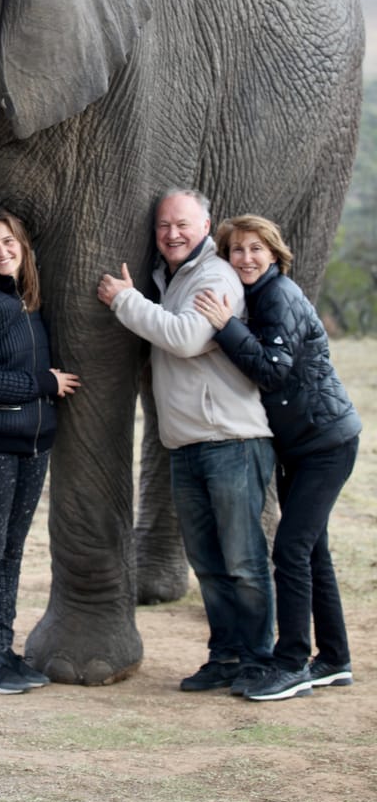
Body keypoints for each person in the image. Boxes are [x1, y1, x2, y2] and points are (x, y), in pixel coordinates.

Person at [97, 188, 275, 695]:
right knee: (210, 564)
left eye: (183, 225)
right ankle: (225, 657)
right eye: (163, 226)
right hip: (188, 445)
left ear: (205, 226)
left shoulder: (216, 274)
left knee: (243, 562)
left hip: (232, 443)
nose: (172, 234)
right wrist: (143, 298)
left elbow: (188, 338)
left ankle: (260, 663)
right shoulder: (172, 279)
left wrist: (125, 301)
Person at [194, 214, 361, 702]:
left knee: (290, 549)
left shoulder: (279, 295)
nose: (246, 258)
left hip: (325, 443)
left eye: (255, 249)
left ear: (274, 254)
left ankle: (291, 663)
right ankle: (334, 659)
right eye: (236, 250)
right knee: (313, 553)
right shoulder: (256, 298)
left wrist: (225, 327)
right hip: (302, 446)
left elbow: (272, 369)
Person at [0, 207, 80, 694]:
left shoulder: (26, 301)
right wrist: (44, 383)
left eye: (9, 242)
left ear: (22, 246)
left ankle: (6, 651)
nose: (2, 252)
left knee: (11, 551)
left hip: (33, 443)